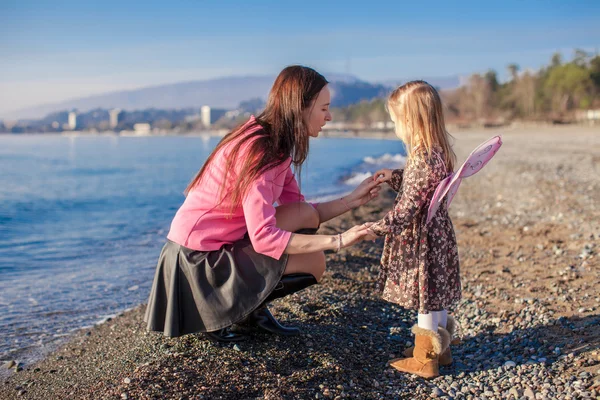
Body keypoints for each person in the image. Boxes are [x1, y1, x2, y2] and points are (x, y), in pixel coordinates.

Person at [144, 65, 380, 343]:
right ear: (300, 108)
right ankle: (233, 311)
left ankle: (250, 313)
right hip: (197, 262)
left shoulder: (272, 142)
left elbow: (301, 211)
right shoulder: (261, 152)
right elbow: (265, 238)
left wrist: (351, 200)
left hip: (209, 249)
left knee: (304, 226)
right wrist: (339, 240)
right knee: (314, 261)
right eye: (324, 108)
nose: (329, 117)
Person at [367, 80, 461, 379]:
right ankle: (440, 350)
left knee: (425, 298)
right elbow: (420, 187)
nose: (395, 128)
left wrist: (377, 228)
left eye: (396, 121)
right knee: (437, 296)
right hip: (438, 233)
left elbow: (408, 207)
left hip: (423, 240)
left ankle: (424, 359)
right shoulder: (437, 152)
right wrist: (394, 176)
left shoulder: (422, 159)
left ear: (411, 121)